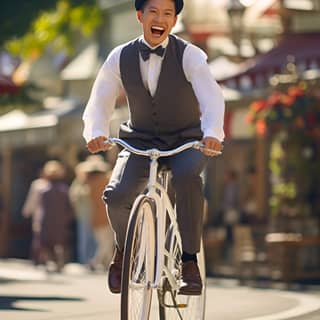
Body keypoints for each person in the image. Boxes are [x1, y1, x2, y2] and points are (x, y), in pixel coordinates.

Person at [82, 0, 225, 295]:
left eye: (168, 14)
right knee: (116, 195)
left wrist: (212, 134)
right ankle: (123, 251)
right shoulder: (119, 57)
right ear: (139, 16)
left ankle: (188, 262)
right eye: (153, 12)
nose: (160, 19)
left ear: (174, 21)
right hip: (138, 139)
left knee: (187, 180)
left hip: (186, 140)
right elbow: (100, 99)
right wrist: (96, 132)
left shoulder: (190, 56)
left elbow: (212, 98)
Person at [23, 160, 74, 272]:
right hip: (56, 221)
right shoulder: (61, 189)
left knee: (44, 242)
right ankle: (52, 261)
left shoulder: (44, 188)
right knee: (53, 243)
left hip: (47, 221)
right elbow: (69, 208)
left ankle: (48, 260)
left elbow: (34, 203)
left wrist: (27, 212)